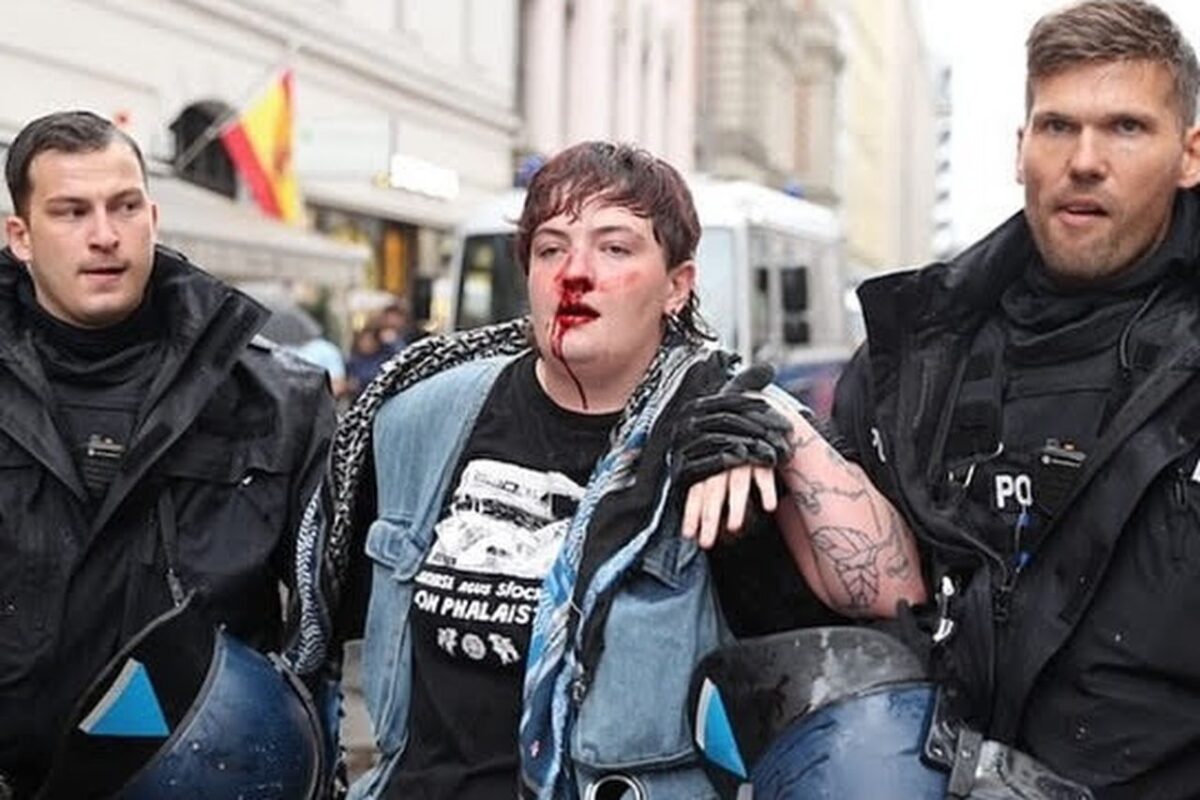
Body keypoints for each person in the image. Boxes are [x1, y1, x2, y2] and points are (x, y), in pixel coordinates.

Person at [286, 140, 925, 800]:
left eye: (615, 248)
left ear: (677, 285)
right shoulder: (419, 416)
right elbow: (321, 630)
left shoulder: (728, 423)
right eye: (550, 249)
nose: (575, 273)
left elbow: (890, 589)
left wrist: (788, 433)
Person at [832, 1, 1200, 796]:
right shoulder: (917, 358)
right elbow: (817, 611)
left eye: (1127, 128)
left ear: (1189, 155)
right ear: (1021, 147)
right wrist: (757, 471)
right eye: (1057, 126)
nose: (1085, 160)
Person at [0, 111, 335, 797]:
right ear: (20, 236)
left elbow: (333, 623)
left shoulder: (274, 398)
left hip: (206, 776)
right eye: (70, 211)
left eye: (124, 207)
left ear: (153, 214)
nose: (104, 235)